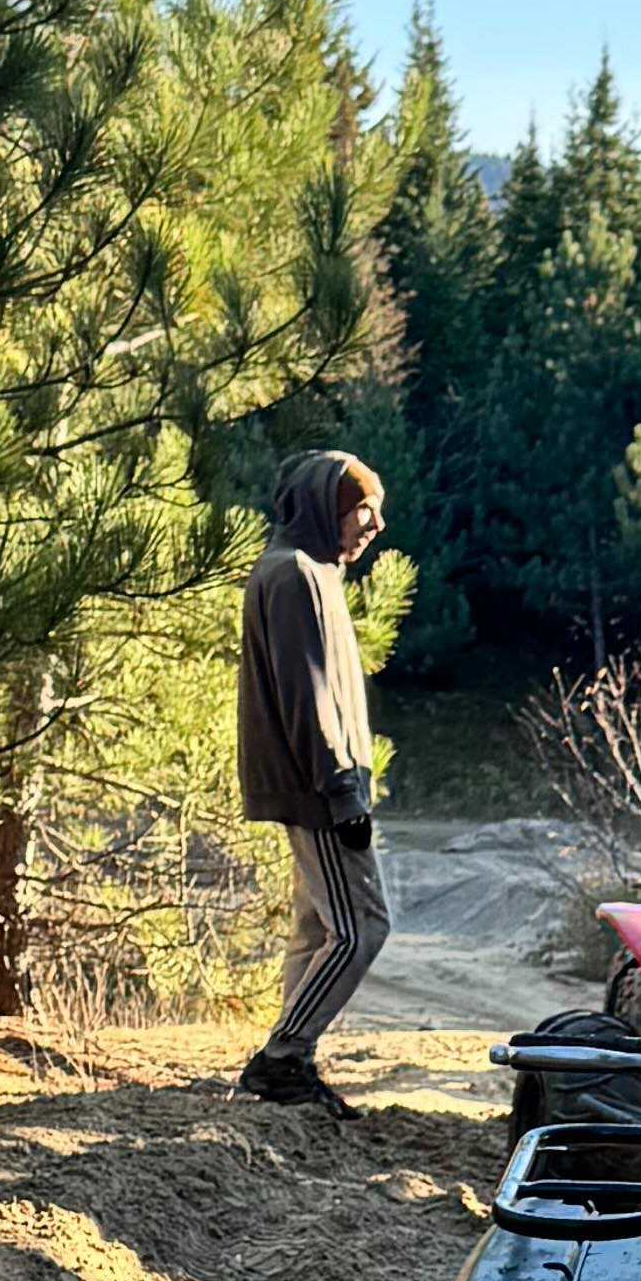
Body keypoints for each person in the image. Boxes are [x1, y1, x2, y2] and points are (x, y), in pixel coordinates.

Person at [234, 448, 393, 1108]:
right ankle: (281, 1059)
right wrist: (342, 793)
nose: (376, 526)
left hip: (321, 785)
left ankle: (288, 1065)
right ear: (330, 507)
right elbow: (309, 697)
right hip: (320, 791)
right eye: (365, 510)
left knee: (315, 929)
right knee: (362, 927)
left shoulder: (306, 572)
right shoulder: (295, 575)